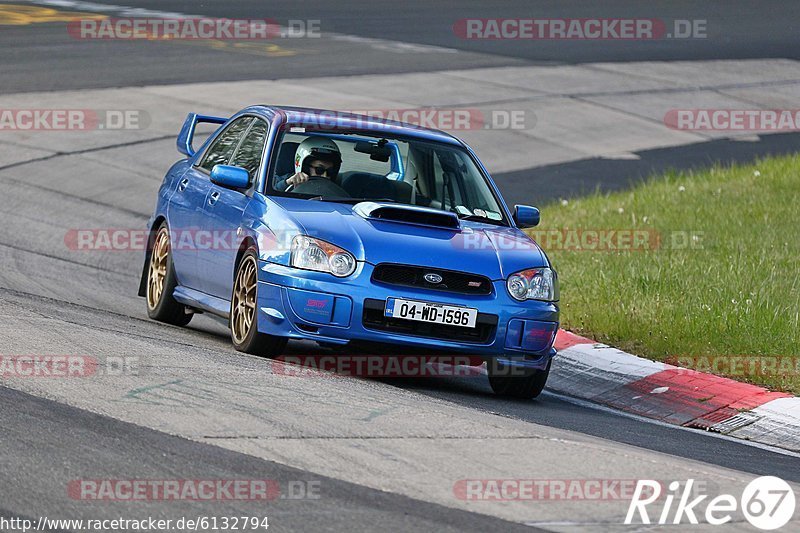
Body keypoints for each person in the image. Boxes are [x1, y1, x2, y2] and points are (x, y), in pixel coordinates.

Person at [275, 136, 342, 191]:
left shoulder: (335, 189)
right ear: (305, 167)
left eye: (330, 171)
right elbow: (272, 191)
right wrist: (287, 183)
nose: (325, 176)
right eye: (319, 170)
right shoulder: (286, 180)